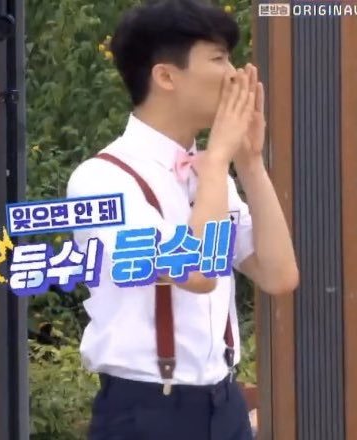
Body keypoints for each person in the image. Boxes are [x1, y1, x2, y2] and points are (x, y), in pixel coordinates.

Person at [66, 0, 299, 438]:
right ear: (166, 76)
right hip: (148, 409)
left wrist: (250, 163)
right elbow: (195, 272)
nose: (234, 75)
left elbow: (279, 275)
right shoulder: (101, 179)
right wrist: (218, 162)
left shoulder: (208, 172)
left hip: (224, 402)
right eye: (218, 58)